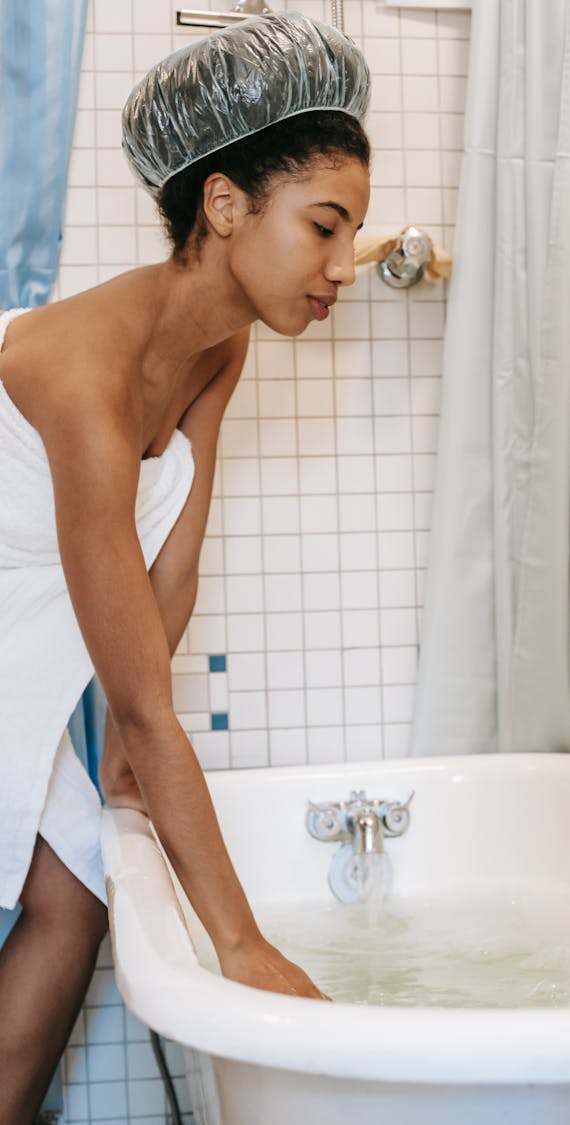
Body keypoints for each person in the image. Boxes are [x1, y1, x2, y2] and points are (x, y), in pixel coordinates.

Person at [0, 12, 371, 1123]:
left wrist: (127, 735)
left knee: (73, 895)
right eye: (324, 226)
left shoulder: (222, 338)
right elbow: (147, 706)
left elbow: (175, 559)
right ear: (225, 206)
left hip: (18, 645)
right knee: (71, 886)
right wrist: (244, 947)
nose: (346, 265)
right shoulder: (81, 379)